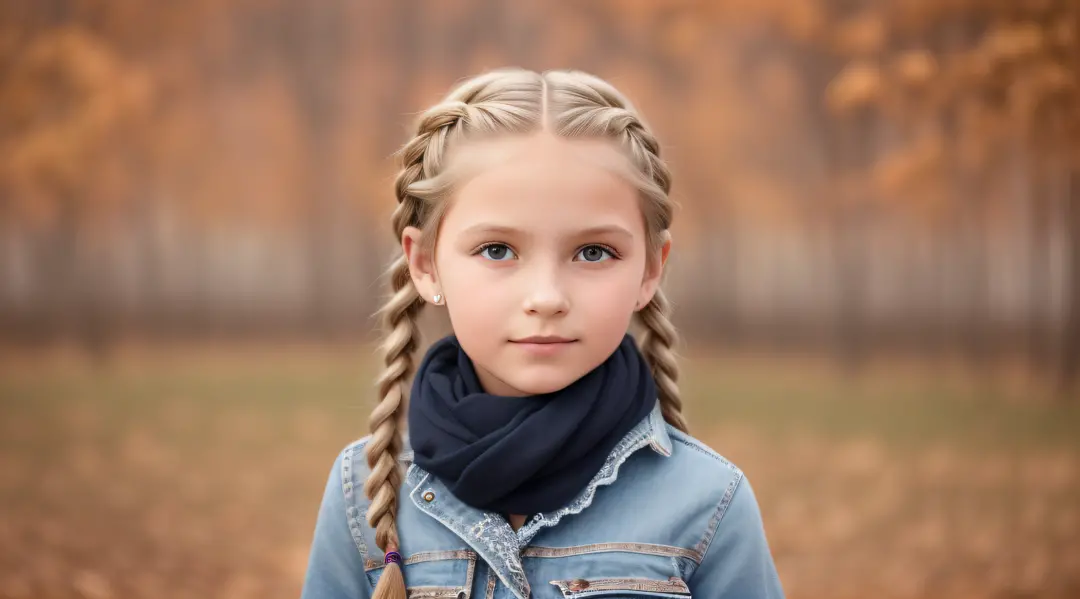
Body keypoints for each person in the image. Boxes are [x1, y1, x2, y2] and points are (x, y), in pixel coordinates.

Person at [300, 68, 784, 599]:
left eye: (593, 252)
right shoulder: (364, 496)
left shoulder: (710, 502)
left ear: (650, 269)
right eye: (497, 250)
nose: (547, 297)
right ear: (425, 265)